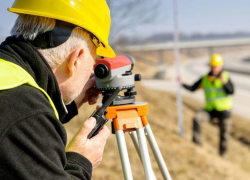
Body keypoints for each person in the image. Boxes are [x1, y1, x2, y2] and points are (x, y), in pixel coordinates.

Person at [0, 0, 116, 179]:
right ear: (76, 58)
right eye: (95, 61)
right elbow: (25, 119)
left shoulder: (10, 85)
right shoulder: (26, 115)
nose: (91, 72)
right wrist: (80, 162)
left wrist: (69, 103)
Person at [180, 54, 234, 157]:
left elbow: (231, 91)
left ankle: (223, 154)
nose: (214, 68)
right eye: (213, 66)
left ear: (221, 66)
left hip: (224, 110)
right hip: (210, 110)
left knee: (225, 134)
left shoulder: (225, 77)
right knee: (197, 118)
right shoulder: (205, 78)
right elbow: (192, 88)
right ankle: (197, 145)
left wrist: (224, 83)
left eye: (216, 66)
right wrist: (182, 83)